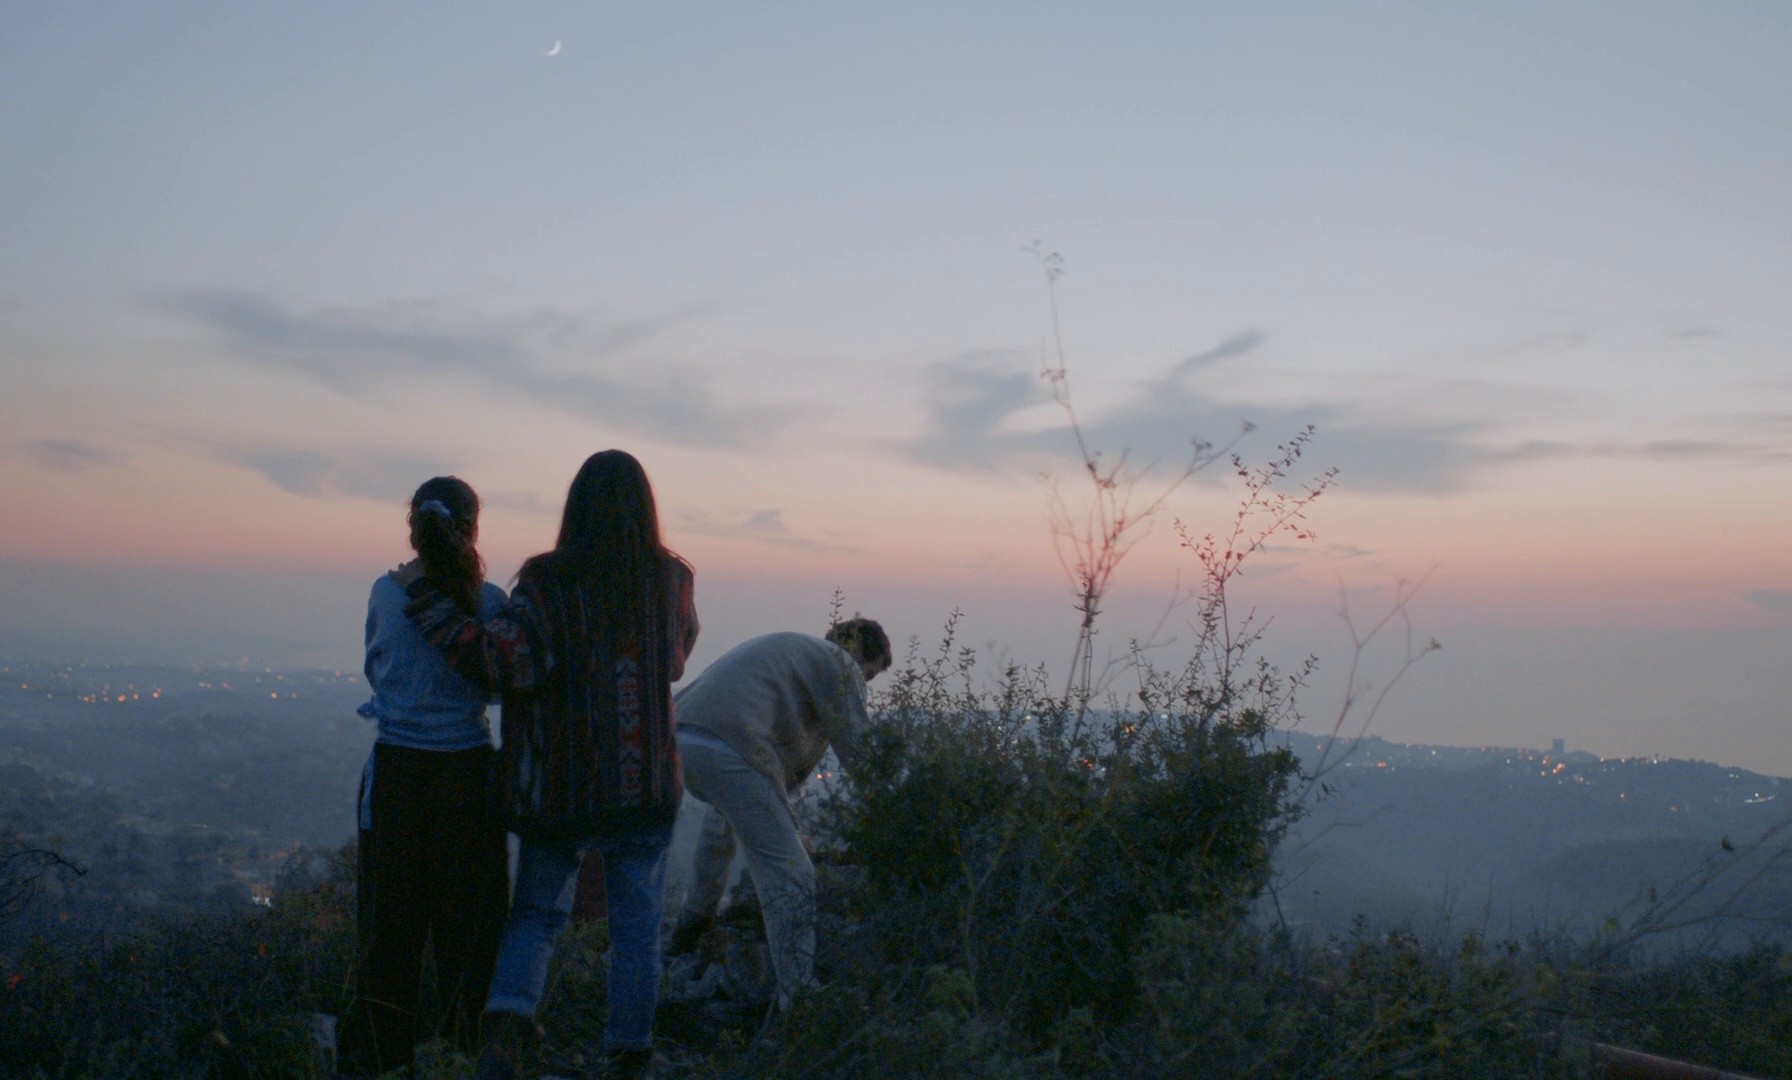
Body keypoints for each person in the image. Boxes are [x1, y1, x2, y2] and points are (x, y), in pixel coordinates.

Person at [398, 450, 697, 1080]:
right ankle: (629, 1057)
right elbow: (673, 660)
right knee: (638, 934)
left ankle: (504, 1047)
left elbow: (505, 662)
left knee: (535, 916)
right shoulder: (670, 579)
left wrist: (426, 600)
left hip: (562, 788)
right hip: (645, 789)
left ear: (574, 507)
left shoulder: (545, 582)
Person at [339, 477, 510, 1076]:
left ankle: (384, 1061)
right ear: (472, 529)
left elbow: (375, 666)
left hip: (398, 776)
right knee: (469, 933)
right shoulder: (488, 604)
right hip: (467, 776)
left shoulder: (387, 594)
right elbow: (496, 684)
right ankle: (461, 1055)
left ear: (413, 526)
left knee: (390, 932)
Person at [666, 619, 892, 1008]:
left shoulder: (794, 652)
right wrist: (894, 813)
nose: (864, 686)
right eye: (869, 676)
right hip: (733, 742)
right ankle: (798, 997)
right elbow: (859, 751)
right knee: (791, 872)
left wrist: (786, 821)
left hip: (682, 739)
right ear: (859, 654)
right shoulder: (840, 664)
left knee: (723, 825)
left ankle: (692, 923)